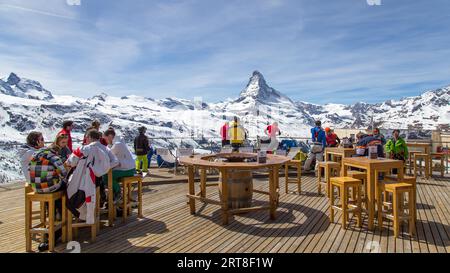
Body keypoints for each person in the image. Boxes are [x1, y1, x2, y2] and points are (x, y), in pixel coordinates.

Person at [66, 129, 114, 224]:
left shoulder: (83, 149)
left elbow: (70, 162)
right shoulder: (102, 151)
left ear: (88, 138)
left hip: (80, 185)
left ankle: (65, 219)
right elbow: (110, 163)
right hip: (96, 182)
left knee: (65, 190)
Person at [28, 141, 68, 251]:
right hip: (50, 188)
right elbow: (64, 173)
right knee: (65, 187)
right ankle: (59, 222)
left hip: (36, 188)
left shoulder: (34, 155)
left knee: (49, 200)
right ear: (56, 151)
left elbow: (29, 169)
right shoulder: (53, 156)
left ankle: (51, 220)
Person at [103, 128, 136, 203]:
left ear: (110, 136)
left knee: (107, 176)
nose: (106, 141)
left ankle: (118, 193)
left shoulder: (117, 144)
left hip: (127, 169)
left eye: (106, 138)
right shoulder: (118, 143)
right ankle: (114, 194)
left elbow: (108, 155)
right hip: (127, 167)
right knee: (107, 176)